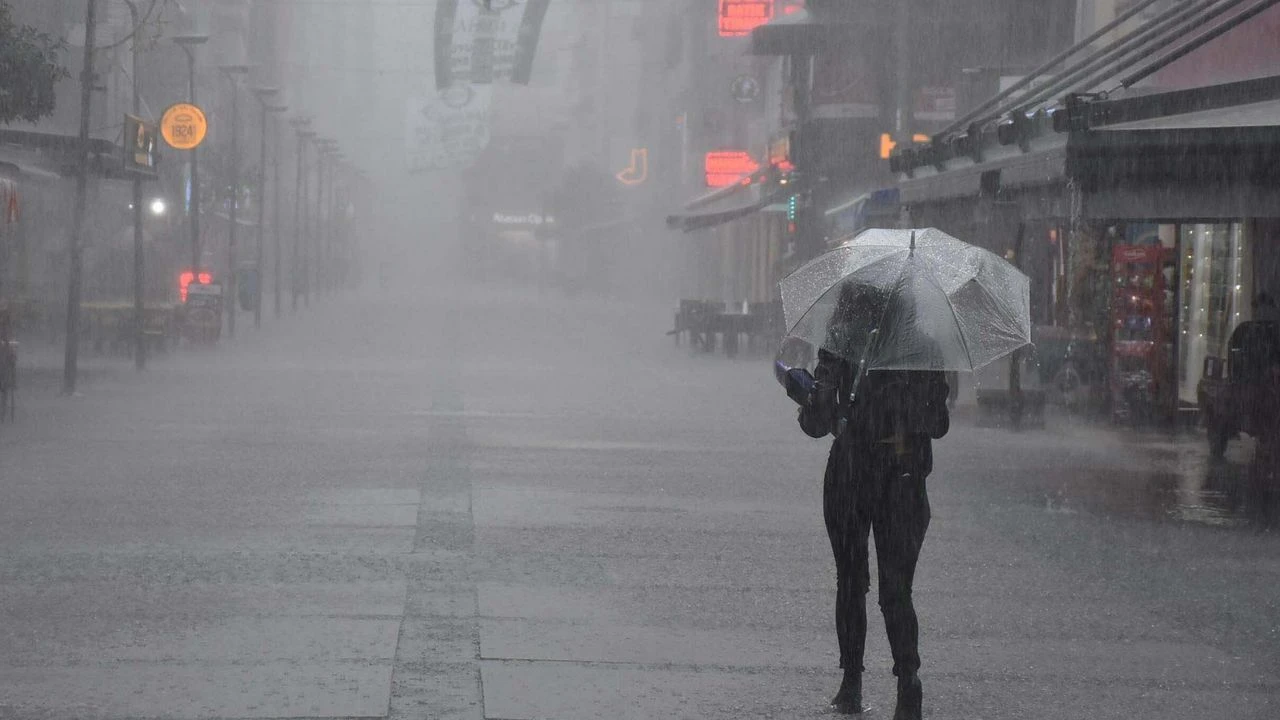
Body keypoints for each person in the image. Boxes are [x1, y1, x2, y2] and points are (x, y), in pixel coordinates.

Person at [797, 282, 950, 719]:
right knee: (893, 589)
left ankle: (854, 683)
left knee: (853, 583)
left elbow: (816, 421)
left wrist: (809, 397)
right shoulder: (924, 350)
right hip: (899, 480)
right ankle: (906, 680)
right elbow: (938, 423)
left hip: (854, 475)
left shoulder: (843, 344)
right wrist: (902, 416)